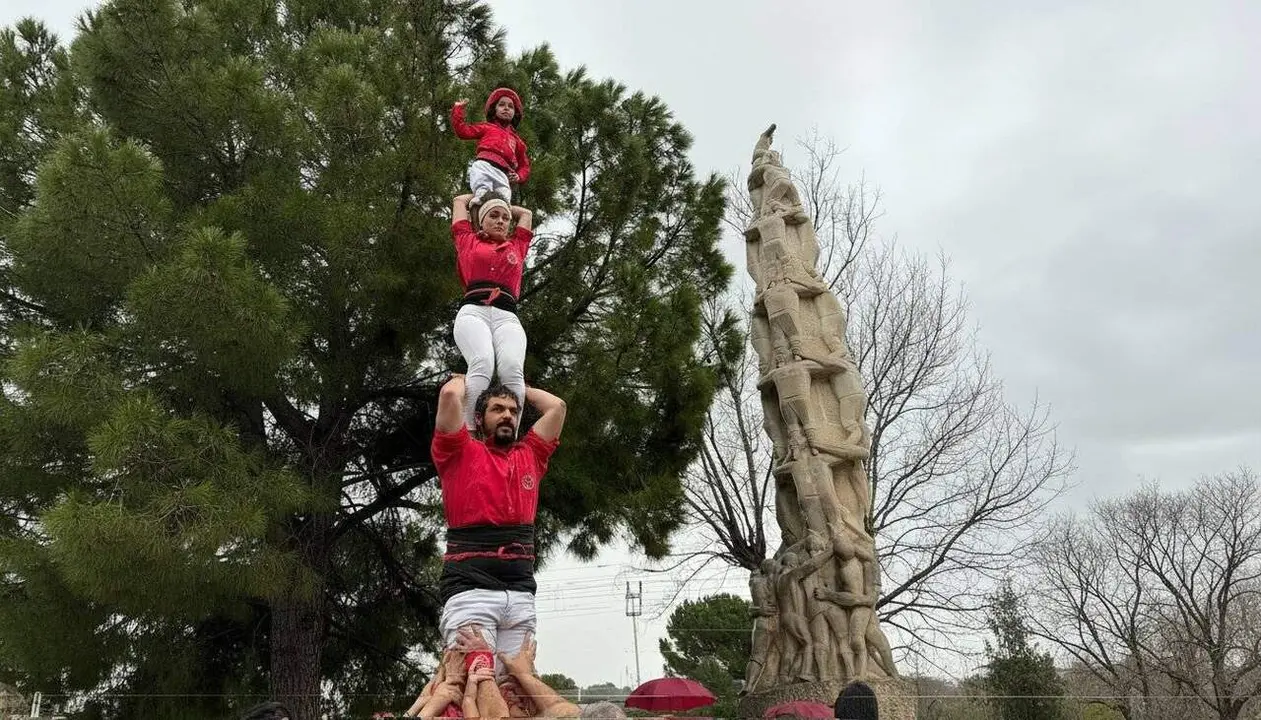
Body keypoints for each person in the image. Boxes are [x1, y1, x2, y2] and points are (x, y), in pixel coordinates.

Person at [431, 375, 566, 677]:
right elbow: (451, 398)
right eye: (497, 409)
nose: (507, 414)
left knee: (517, 692)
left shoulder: (531, 454)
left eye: (513, 410)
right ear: (478, 418)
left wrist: (521, 386)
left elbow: (557, 407)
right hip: (470, 591)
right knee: (469, 684)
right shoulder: (458, 452)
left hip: (519, 593)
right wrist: (470, 376)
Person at [450, 193, 534, 431]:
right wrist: (480, 197)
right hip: (474, 311)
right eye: (494, 216)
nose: (501, 221)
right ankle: (471, 431)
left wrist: (502, 202)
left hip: (507, 315)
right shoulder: (467, 239)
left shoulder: (517, 245)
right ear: (480, 219)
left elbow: (526, 214)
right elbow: (459, 201)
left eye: (506, 218)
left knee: (512, 369)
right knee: (483, 363)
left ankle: (511, 436)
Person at [452, 88, 530, 206]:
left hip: (504, 174)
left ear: (515, 113)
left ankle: (499, 214)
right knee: (482, 187)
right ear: (494, 110)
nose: (506, 108)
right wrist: (458, 109)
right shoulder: (486, 128)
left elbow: (525, 165)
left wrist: (519, 176)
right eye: (501, 105)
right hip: (484, 165)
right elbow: (463, 131)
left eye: (510, 106)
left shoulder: (517, 141)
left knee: (503, 199)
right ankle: (479, 202)